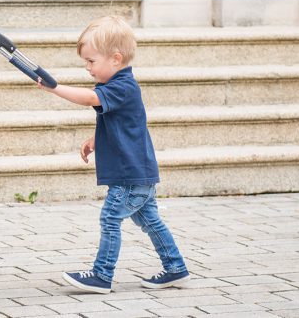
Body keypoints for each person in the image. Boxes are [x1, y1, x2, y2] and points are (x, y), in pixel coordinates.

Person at [37, 15, 189, 293]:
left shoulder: (122, 86)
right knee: (151, 221)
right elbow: (123, 123)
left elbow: (91, 99)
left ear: (116, 59)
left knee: (110, 218)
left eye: (91, 61)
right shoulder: (118, 87)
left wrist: (55, 88)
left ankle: (102, 274)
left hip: (129, 175)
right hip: (137, 172)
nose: (87, 67)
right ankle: (175, 268)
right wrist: (95, 139)